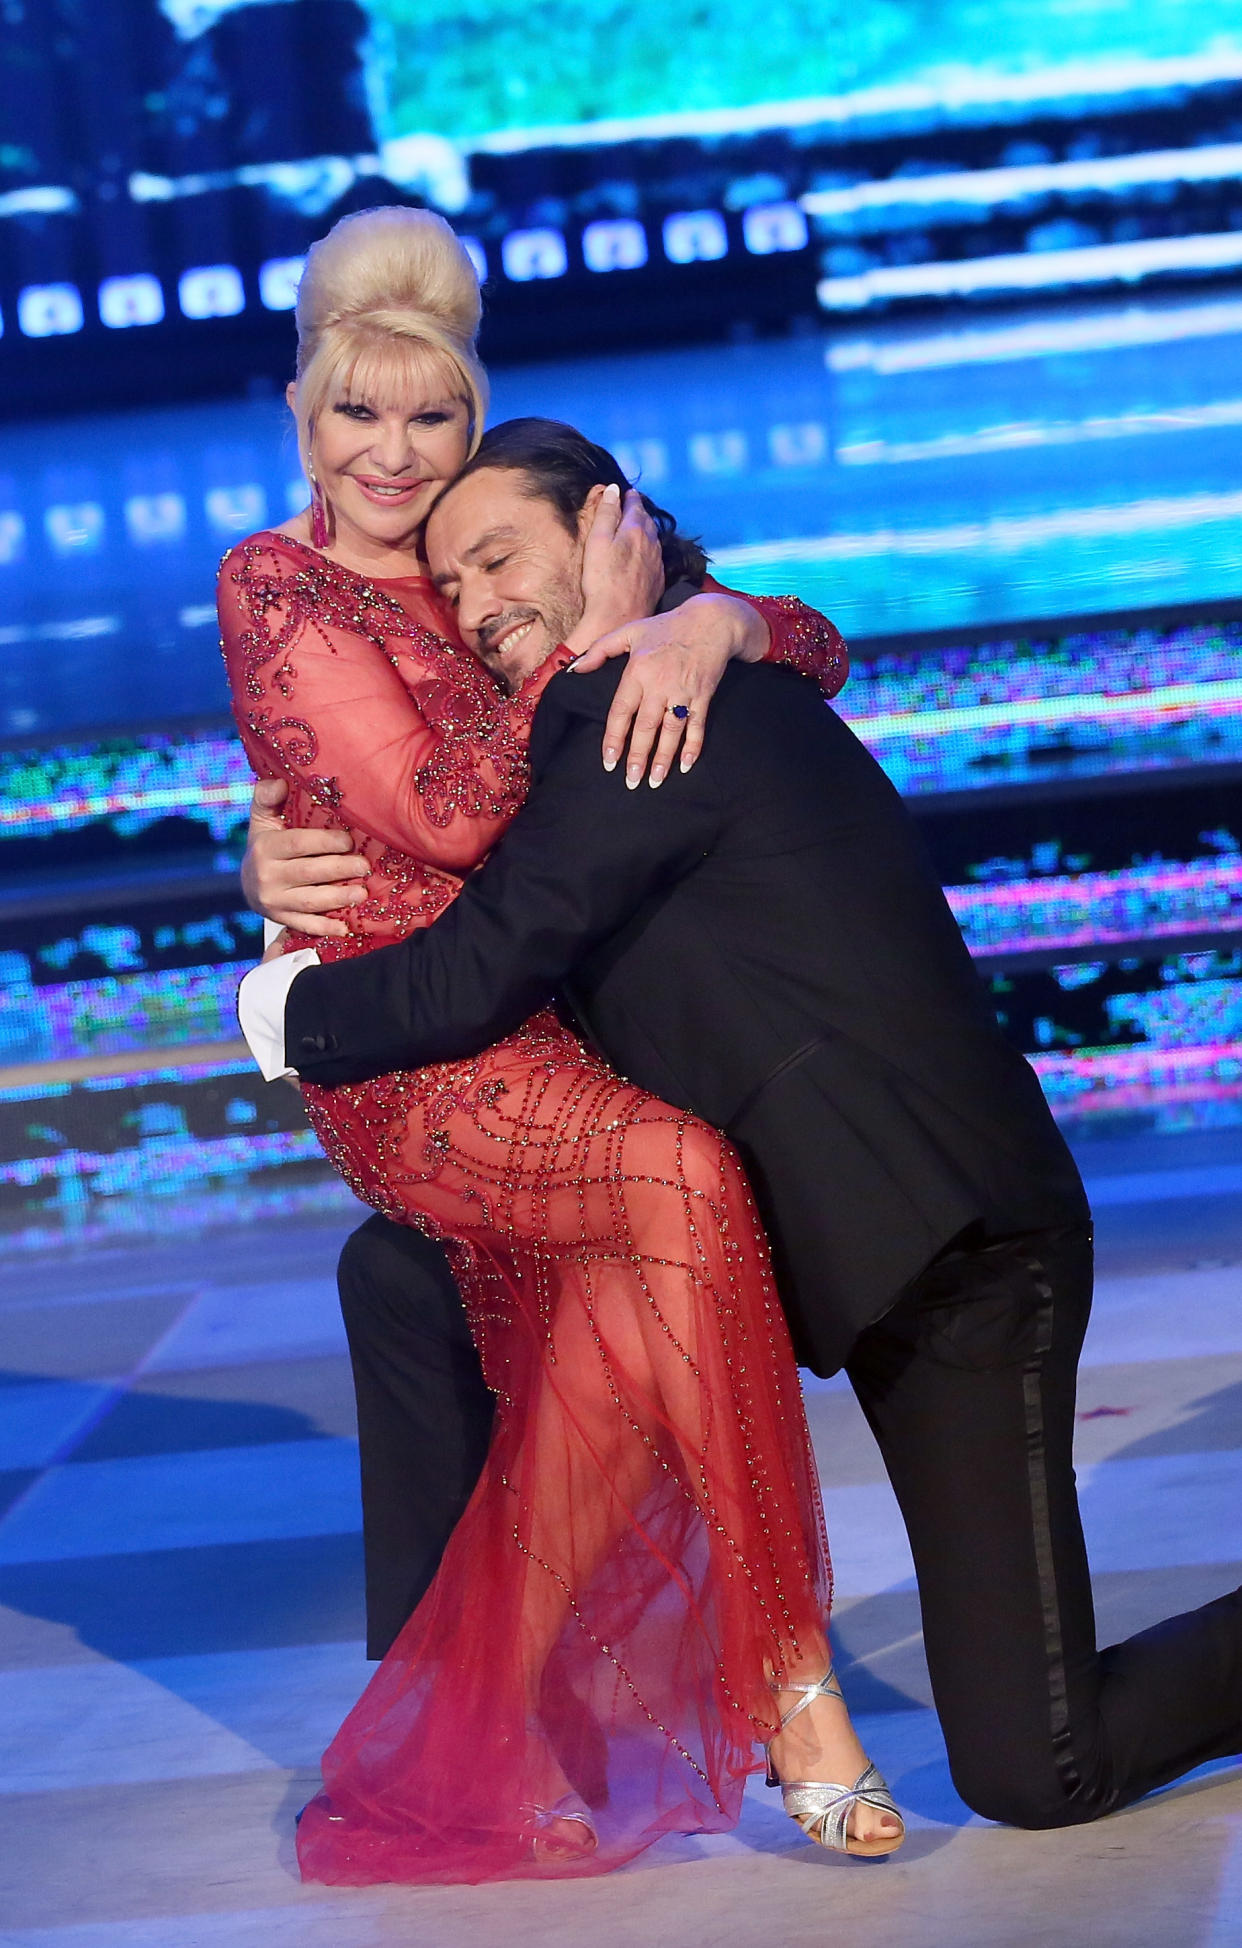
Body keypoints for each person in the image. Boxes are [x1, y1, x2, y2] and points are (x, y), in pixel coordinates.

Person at [242, 414, 1242, 1842]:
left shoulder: (648, 710)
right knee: (406, 1279)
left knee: (1036, 1769)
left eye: (497, 559)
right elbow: (452, 862)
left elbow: (486, 961)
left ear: (608, 531)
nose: (473, 606)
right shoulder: (617, 703)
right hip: (803, 1222)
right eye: (450, 586)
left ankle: (518, 1703)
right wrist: (276, 863)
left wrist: (275, 1007)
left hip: (948, 1252)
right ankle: (458, 1705)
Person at [220, 204, 901, 1885]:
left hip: (549, 1027)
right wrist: (594, 642)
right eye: (356, 414)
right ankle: (788, 1677)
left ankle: (484, 1718)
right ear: (302, 412)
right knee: (681, 1172)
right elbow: (451, 818)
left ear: (471, 412)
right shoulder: (280, 581)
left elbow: (808, 643)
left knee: (614, 1342)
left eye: (428, 414)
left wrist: (694, 622)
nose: (392, 454)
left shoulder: (481, 548)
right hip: (414, 1062)